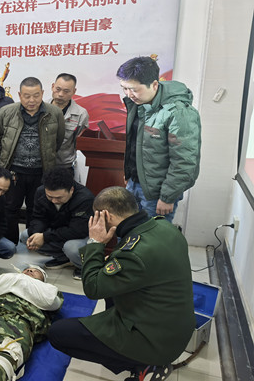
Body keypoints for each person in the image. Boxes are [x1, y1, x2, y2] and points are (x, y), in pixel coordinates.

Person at [48, 186, 194, 381]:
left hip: (156, 342)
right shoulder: (164, 227)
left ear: (106, 216)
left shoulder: (134, 253)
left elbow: (93, 288)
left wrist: (95, 243)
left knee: (58, 333)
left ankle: (144, 365)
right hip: (174, 328)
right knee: (109, 278)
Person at [117, 56, 201, 222]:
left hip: (157, 193)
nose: (129, 94)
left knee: (150, 236)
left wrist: (168, 196)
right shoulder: (138, 103)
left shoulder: (178, 112)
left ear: (154, 84)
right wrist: (130, 173)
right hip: (135, 182)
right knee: (128, 231)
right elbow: (136, 145)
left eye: (133, 89)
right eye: (124, 88)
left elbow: (184, 160)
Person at [0, 76, 65, 243]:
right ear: (19, 95)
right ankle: (10, 242)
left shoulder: (55, 113)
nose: (32, 100)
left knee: (36, 208)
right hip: (13, 171)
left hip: (41, 171)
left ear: (43, 93)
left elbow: (58, 140)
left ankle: (32, 241)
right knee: (10, 207)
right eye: (27, 96)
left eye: (36, 95)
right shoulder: (6, 112)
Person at [19, 168, 93, 278]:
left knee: (71, 248)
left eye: (59, 198)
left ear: (71, 190)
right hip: (58, 231)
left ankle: (86, 266)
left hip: (80, 236)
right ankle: (64, 258)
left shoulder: (84, 198)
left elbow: (77, 231)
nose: (54, 201)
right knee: (26, 236)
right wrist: (36, 234)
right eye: (50, 197)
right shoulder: (40, 192)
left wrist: (45, 237)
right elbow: (38, 218)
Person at [50, 73, 89, 177]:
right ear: (52, 86)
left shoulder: (81, 114)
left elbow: (78, 143)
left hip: (64, 166)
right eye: (58, 89)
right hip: (39, 164)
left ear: (74, 91)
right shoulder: (40, 108)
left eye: (66, 91)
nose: (60, 94)